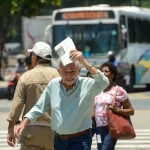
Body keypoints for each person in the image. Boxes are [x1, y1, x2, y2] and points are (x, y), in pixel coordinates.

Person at [15, 49, 109, 150]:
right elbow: (39, 107)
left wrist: (84, 62)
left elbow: (104, 82)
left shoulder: (87, 85)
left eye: (72, 71)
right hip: (58, 140)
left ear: (79, 70)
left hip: (80, 140)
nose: (69, 75)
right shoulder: (53, 85)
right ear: (59, 71)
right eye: (65, 72)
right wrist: (24, 122)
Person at [7, 42, 60, 150]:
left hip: (30, 129)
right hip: (54, 130)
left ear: (35, 58)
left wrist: (10, 129)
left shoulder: (25, 77)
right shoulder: (59, 76)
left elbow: (17, 106)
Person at [94, 62, 134, 150]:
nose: (103, 73)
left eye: (106, 71)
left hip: (111, 127)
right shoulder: (97, 89)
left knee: (106, 148)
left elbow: (131, 111)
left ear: (113, 75)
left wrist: (117, 110)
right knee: (100, 148)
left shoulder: (119, 90)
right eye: (102, 71)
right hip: (98, 128)